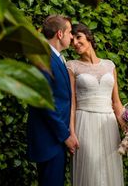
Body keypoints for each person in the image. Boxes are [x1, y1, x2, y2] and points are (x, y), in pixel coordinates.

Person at [66, 22, 124, 185]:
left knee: (108, 171)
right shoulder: (72, 66)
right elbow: (72, 103)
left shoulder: (109, 65)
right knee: (90, 170)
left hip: (109, 125)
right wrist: (71, 132)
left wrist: (126, 128)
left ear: (88, 37)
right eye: (72, 41)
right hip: (85, 123)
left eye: (79, 37)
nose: (75, 43)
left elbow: (116, 103)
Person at [27, 14, 79, 186]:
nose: (72, 37)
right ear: (59, 34)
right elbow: (45, 104)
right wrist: (66, 136)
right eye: (70, 32)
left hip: (56, 139)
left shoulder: (56, 58)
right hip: (50, 140)